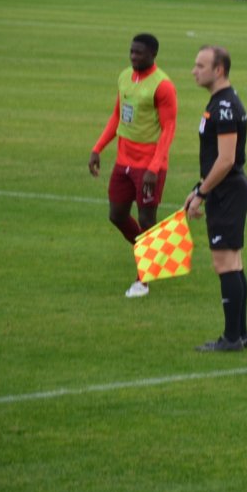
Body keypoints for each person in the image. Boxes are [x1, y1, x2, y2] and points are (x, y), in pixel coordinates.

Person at [89, 33, 177, 298]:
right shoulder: (125, 76)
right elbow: (118, 115)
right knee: (116, 214)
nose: (133, 56)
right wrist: (97, 148)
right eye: (131, 52)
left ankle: (143, 280)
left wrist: (154, 167)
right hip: (123, 161)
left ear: (152, 55)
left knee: (147, 219)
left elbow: (169, 128)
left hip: (148, 166)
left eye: (139, 53)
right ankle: (153, 251)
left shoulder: (163, 86)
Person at [185, 45, 247, 352]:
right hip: (226, 188)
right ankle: (240, 334)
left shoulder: (225, 106)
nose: (194, 71)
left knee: (224, 263)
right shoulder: (220, 102)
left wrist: (202, 193)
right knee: (233, 263)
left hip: (228, 190)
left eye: (200, 65)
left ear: (219, 70)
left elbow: (225, 160)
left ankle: (231, 338)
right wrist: (199, 186)